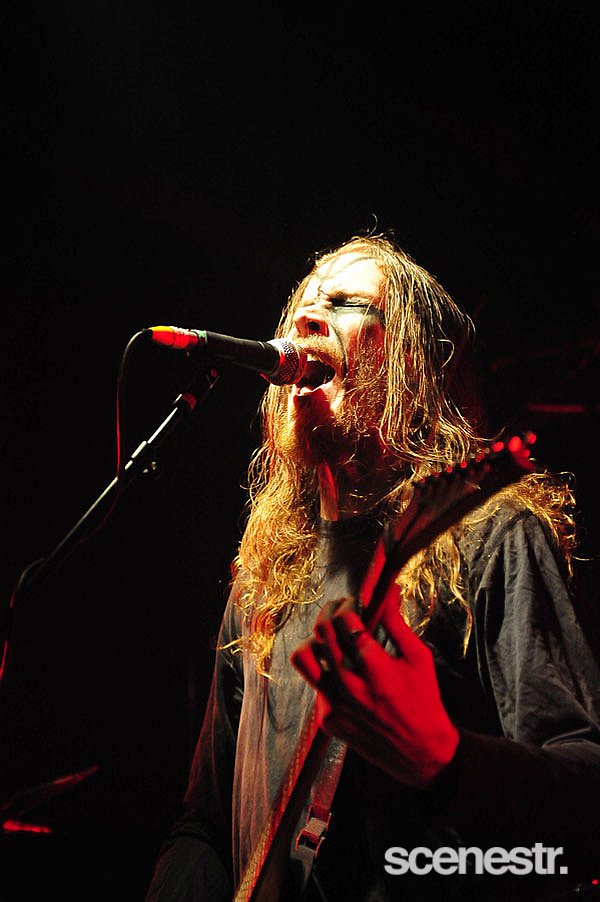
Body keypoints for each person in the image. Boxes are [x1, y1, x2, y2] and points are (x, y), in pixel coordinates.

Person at [145, 234, 600, 901]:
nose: (306, 316)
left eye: (344, 303)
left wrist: (446, 760)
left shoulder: (492, 535)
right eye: (303, 304)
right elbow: (206, 825)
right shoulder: (266, 573)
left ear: (410, 362)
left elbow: (586, 795)